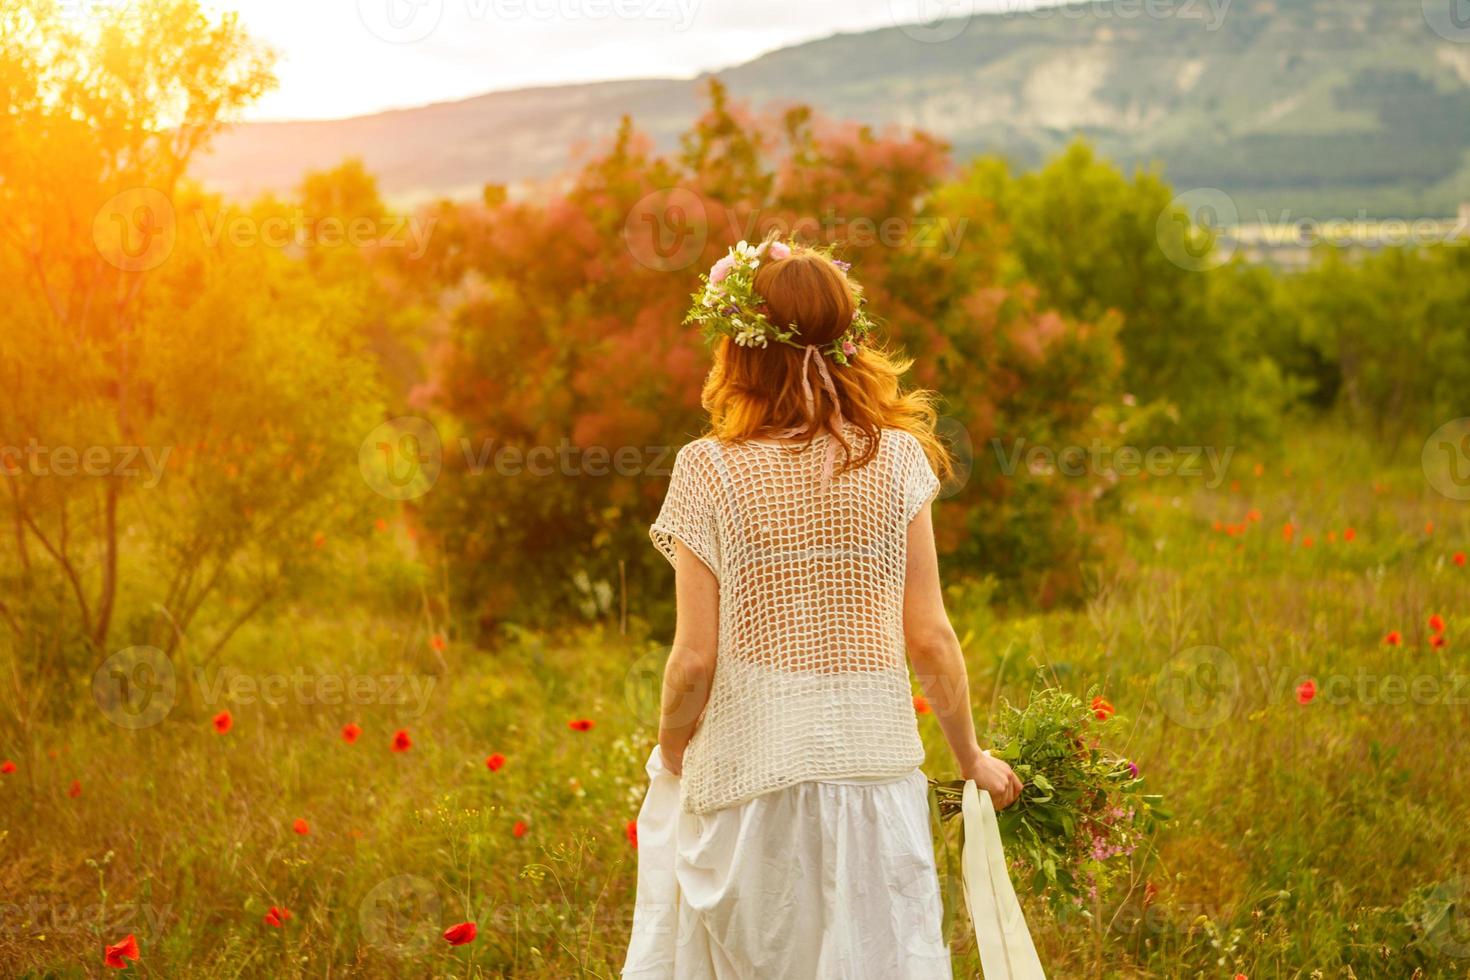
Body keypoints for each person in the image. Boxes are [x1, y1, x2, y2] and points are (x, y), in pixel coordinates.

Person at [623, 238, 1022, 980]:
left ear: (738, 350)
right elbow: (930, 637)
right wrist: (971, 758)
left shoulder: (707, 469)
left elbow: (695, 660)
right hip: (874, 783)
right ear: (848, 339)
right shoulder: (896, 459)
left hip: (749, 781)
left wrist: (672, 756)